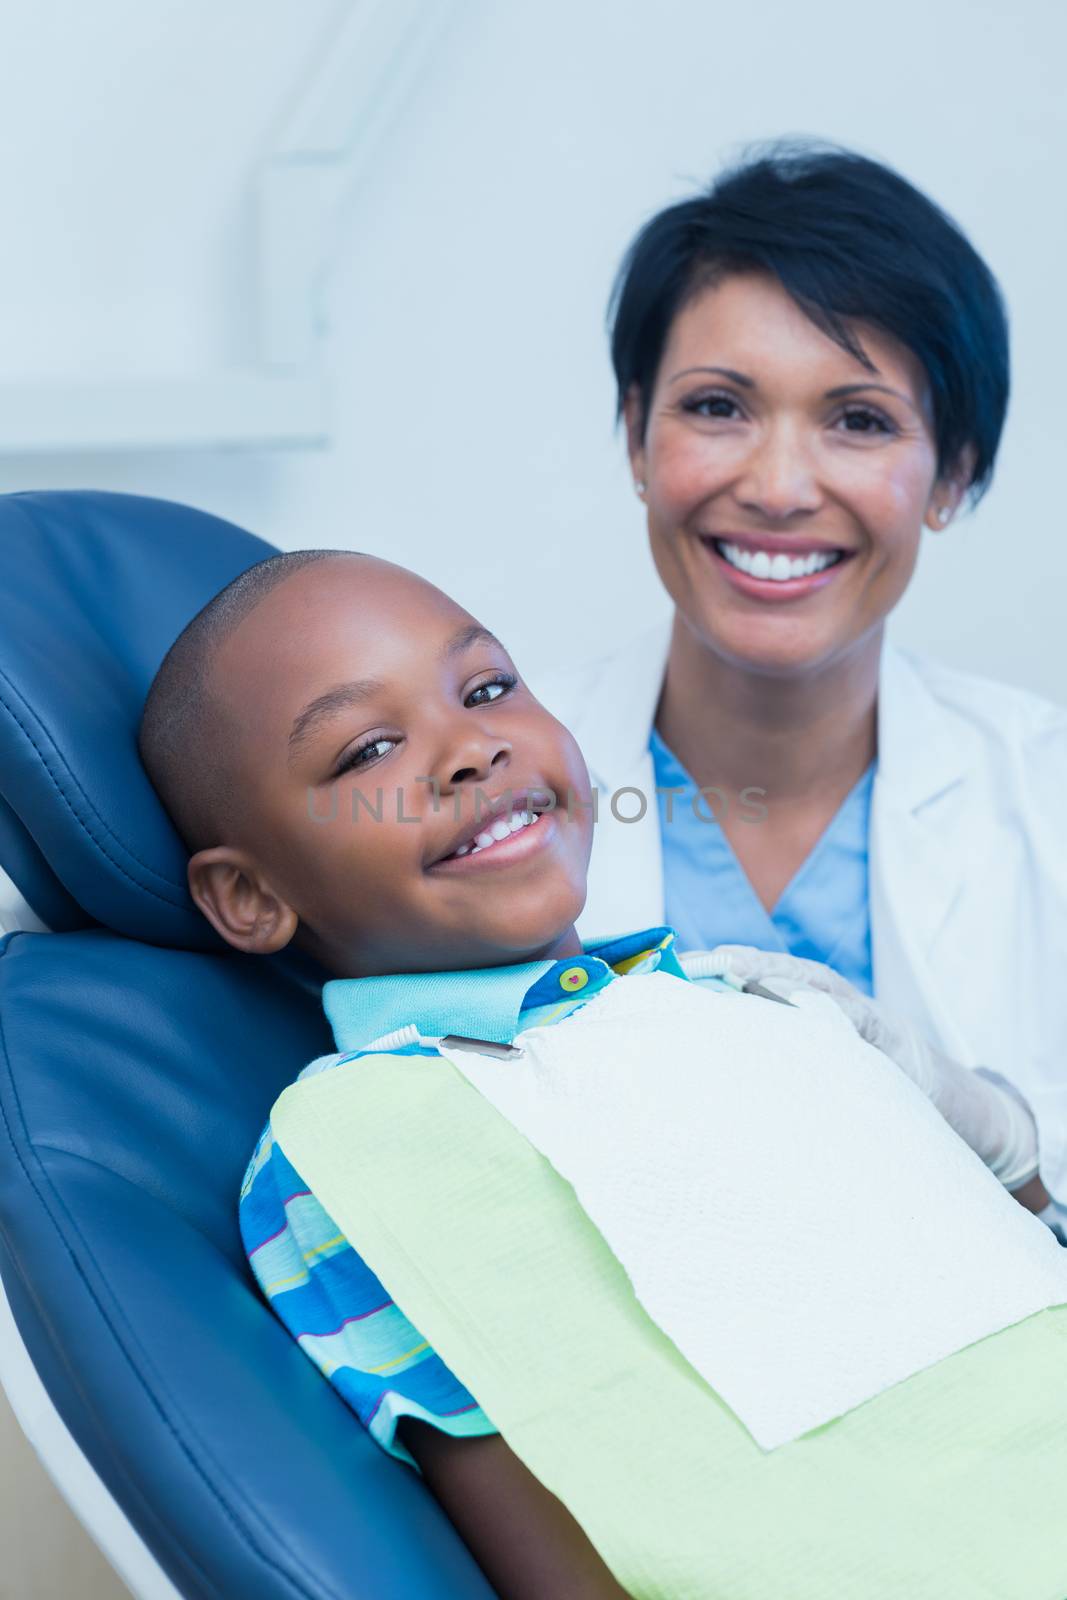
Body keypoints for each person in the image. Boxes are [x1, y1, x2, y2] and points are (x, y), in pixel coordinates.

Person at [138, 549, 1066, 1600]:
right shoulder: (357, 1142)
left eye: (486, 687)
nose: (469, 748)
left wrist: (1002, 1151)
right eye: (368, 749)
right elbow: (552, 1514)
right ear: (249, 895)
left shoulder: (750, 1004)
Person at [528, 139, 1067, 1225]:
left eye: (858, 420)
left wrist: (1014, 1150)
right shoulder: (492, 783)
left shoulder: (1039, 791)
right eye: (717, 407)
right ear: (635, 433)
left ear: (951, 474)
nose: (776, 487)